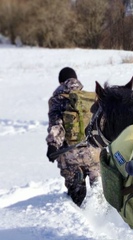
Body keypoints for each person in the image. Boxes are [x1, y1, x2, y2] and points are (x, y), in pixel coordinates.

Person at [46, 67, 100, 207]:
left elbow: (57, 125)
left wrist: (52, 145)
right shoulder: (90, 97)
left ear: (60, 82)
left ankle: (80, 219)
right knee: (99, 192)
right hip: (94, 152)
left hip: (69, 155)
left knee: (77, 197)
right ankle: (101, 220)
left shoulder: (57, 100)